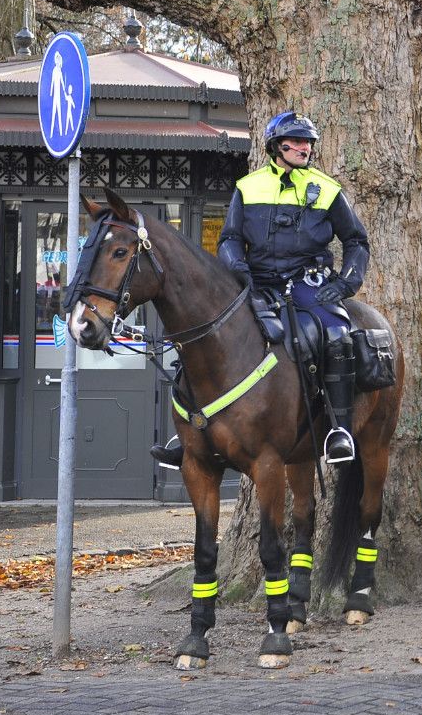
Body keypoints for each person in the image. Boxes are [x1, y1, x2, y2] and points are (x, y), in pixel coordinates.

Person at [151, 112, 369, 467]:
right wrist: (237, 269)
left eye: (309, 142)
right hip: (255, 283)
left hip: (308, 285)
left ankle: (339, 433)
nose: (305, 147)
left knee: (338, 334)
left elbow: (357, 241)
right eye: (297, 141)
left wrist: (347, 282)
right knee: (207, 329)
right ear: (275, 146)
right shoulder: (247, 187)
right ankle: (190, 430)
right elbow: (231, 239)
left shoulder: (328, 190)